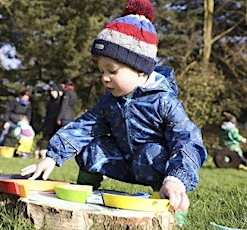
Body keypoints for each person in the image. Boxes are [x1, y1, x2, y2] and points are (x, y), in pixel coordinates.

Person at [21, 0, 207, 224]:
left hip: (154, 168)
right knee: (90, 147)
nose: (104, 78)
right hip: (121, 161)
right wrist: (52, 156)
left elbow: (187, 139)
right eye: (101, 71)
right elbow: (85, 126)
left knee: (154, 153)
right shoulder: (109, 102)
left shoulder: (165, 102)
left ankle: (169, 204)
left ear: (140, 69)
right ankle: (84, 189)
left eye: (112, 70)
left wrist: (177, 179)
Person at [0, 89, 32, 154]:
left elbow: (28, 115)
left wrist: (26, 123)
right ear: (21, 96)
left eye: (27, 98)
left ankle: (21, 152)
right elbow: (8, 112)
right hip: (11, 122)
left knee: (24, 137)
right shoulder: (14, 101)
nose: (26, 99)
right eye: (25, 97)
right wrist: (6, 121)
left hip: (21, 124)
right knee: (4, 134)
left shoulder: (28, 105)